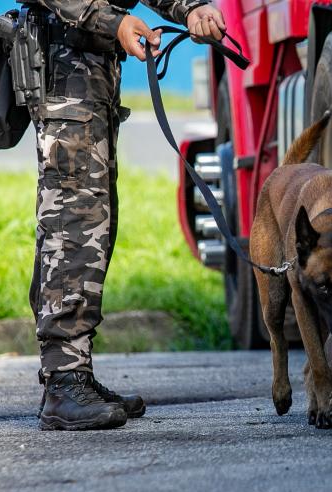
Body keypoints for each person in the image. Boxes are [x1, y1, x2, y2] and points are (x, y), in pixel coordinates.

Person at [31, 0, 226, 431]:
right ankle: (64, 381)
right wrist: (113, 22)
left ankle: (73, 373)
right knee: (73, 224)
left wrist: (191, 9)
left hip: (92, 74)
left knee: (95, 223)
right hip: (66, 70)